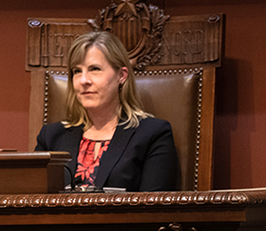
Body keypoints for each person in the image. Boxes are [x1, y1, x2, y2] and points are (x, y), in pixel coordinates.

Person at [35, 31, 178, 191]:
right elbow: (33, 202)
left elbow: (156, 209)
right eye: (77, 71)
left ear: (121, 76)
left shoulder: (153, 134)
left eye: (94, 69)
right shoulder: (51, 137)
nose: (84, 80)